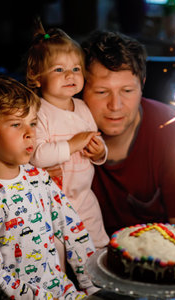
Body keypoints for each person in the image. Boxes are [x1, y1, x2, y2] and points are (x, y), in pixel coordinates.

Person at [0, 74, 98, 299]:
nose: (30, 133)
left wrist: (93, 287)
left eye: (33, 123)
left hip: (64, 293)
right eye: (16, 124)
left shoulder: (39, 177)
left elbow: (75, 232)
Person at [81, 31, 175, 236]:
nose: (115, 105)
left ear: (142, 84)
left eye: (127, 91)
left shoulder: (174, 131)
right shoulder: (59, 135)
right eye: (101, 92)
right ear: (80, 89)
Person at [25, 21, 110, 254]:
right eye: (59, 70)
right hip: (52, 202)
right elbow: (36, 155)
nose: (70, 75)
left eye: (76, 69)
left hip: (84, 196)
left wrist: (100, 151)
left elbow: (95, 139)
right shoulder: (38, 111)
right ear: (36, 76)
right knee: (58, 254)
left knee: (98, 248)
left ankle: (98, 284)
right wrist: (73, 144)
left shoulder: (82, 107)